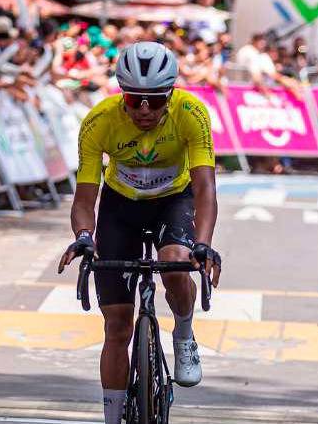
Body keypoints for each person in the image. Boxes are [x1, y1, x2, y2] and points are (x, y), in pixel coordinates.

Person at [56, 42, 223, 424]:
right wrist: (84, 236)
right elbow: (84, 198)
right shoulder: (99, 121)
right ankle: (113, 417)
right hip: (121, 205)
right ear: (121, 94)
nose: (144, 110)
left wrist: (204, 244)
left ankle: (183, 331)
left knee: (176, 263)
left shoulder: (191, 113)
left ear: (170, 95)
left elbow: (205, 188)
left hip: (173, 199)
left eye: (154, 100)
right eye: (134, 100)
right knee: (116, 325)